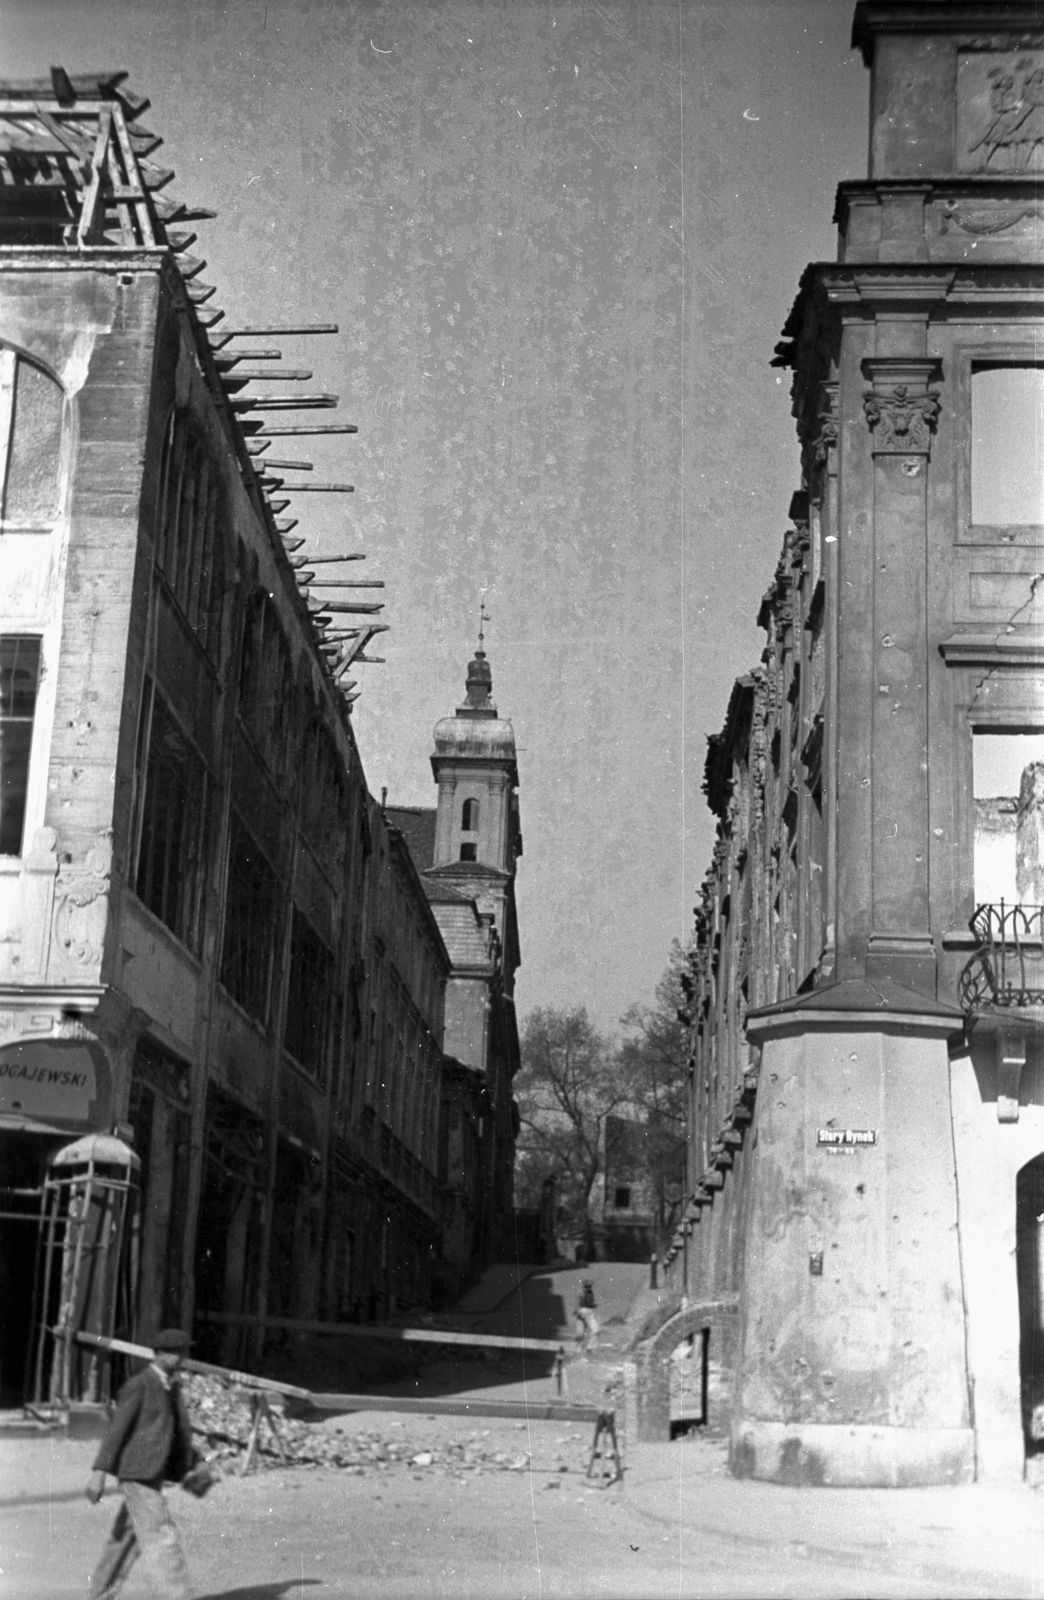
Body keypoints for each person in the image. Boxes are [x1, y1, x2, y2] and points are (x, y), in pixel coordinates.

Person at [86, 1328, 199, 1600]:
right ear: (161, 1354)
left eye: (183, 1352)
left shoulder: (170, 1385)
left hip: (153, 1472)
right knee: (162, 1537)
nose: (183, 1358)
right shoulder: (141, 1384)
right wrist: (98, 1474)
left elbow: (177, 1432)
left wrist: (195, 1462)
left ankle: (99, 1595)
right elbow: (117, 1430)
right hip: (137, 1473)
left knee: (124, 1540)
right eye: (178, 1352)